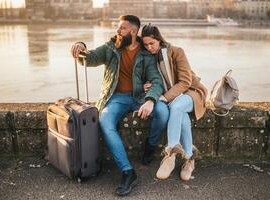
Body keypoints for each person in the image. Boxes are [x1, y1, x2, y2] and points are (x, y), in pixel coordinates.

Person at [71, 15, 169, 196]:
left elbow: (156, 80)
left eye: (122, 28)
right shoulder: (111, 47)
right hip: (116, 98)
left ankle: (151, 145)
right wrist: (81, 46)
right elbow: (89, 58)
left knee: (163, 112)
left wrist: (150, 100)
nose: (117, 31)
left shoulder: (146, 52)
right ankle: (128, 171)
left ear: (133, 31)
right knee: (106, 121)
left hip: (140, 97)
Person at [141, 24, 208, 181]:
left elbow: (185, 82)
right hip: (174, 97)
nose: (149, 47)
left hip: (191, 93)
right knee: (180, 114)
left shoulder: (176, 52)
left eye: (152, 43)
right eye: (145, 44)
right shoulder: (150, 58)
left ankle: (170, 152)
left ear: (159, 39)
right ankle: (189, 159)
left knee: (176, 106)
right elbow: (154, 80)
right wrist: (146, 85)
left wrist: (164, 98)